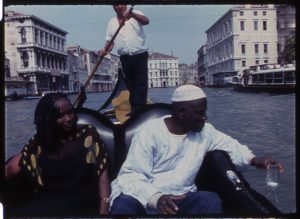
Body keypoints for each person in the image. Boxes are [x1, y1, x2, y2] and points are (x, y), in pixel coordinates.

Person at [109, 85, 284, 215]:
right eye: (200, 113)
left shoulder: (205, 131)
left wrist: (255, 160)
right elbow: (131, 176)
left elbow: (232, 146)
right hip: (144, 198)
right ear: (181, 112)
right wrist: (157, 199)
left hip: (180, 198)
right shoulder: (149, 133)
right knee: (124, 205)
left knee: (210, 201)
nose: (205, 117)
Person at [5, 93, 110, 216]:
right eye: (61, 115)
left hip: (82, 203)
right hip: (47, 202)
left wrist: (104, 212)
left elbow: (103, 178)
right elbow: (11, 167)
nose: (68, 118)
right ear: (48, 119)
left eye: (70, 112)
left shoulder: (88, 134)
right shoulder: (39, 141)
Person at [100, 4, 149, 116]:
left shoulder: (136, 13)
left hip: (139, 54)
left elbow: (146, 21)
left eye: (121, 3)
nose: (119, 6)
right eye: (116, 4)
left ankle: (140, 109)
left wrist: (132, 14)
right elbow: (110, 41)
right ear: (113, 7)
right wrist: (105, 50)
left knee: (140, 83)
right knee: (130, 83)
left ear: (126, 4)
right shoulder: (112, 22)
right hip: (125, 57)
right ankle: (134, 108)